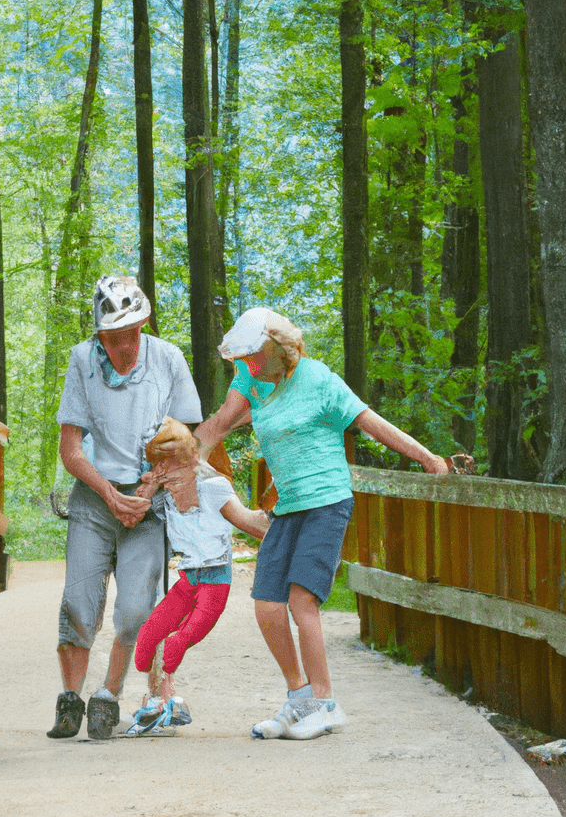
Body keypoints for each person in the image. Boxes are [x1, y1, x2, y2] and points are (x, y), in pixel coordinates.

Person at [195, 307, 464, 741]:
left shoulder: (319, 380)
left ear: (279, 350)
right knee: (267, 604)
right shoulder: (249, 378)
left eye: (253, 357)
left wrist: (430, 460)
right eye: (241, 359)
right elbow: (216, 427)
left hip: (326, 502)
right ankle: (299, 699)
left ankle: (326, 703)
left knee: (302, 600)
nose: (247, 366)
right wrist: (185, 466)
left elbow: (373, 425)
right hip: (288, 507)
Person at [47, 276, 203, 740]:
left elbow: (186, 439)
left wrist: (145, 491)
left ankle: (107, 696)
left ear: (144, 326)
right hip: (95, 501)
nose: (124, 348)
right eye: (113, 340)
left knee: (137, 612)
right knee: (78, 602)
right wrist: (110, 495)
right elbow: (71, 449)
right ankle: (70, 700)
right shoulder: (81, 361)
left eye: (131, 335)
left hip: (147, 504)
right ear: (99, 337)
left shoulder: (169, 359)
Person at [123, 416, 270, 735]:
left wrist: (293, 532)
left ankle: (163, 697)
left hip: (212, 577)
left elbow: (250, 522)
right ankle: (162, 698)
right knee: (152, 627)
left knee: (180, 633)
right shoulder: (164, 490)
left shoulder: (212, 485)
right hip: (187, 575)